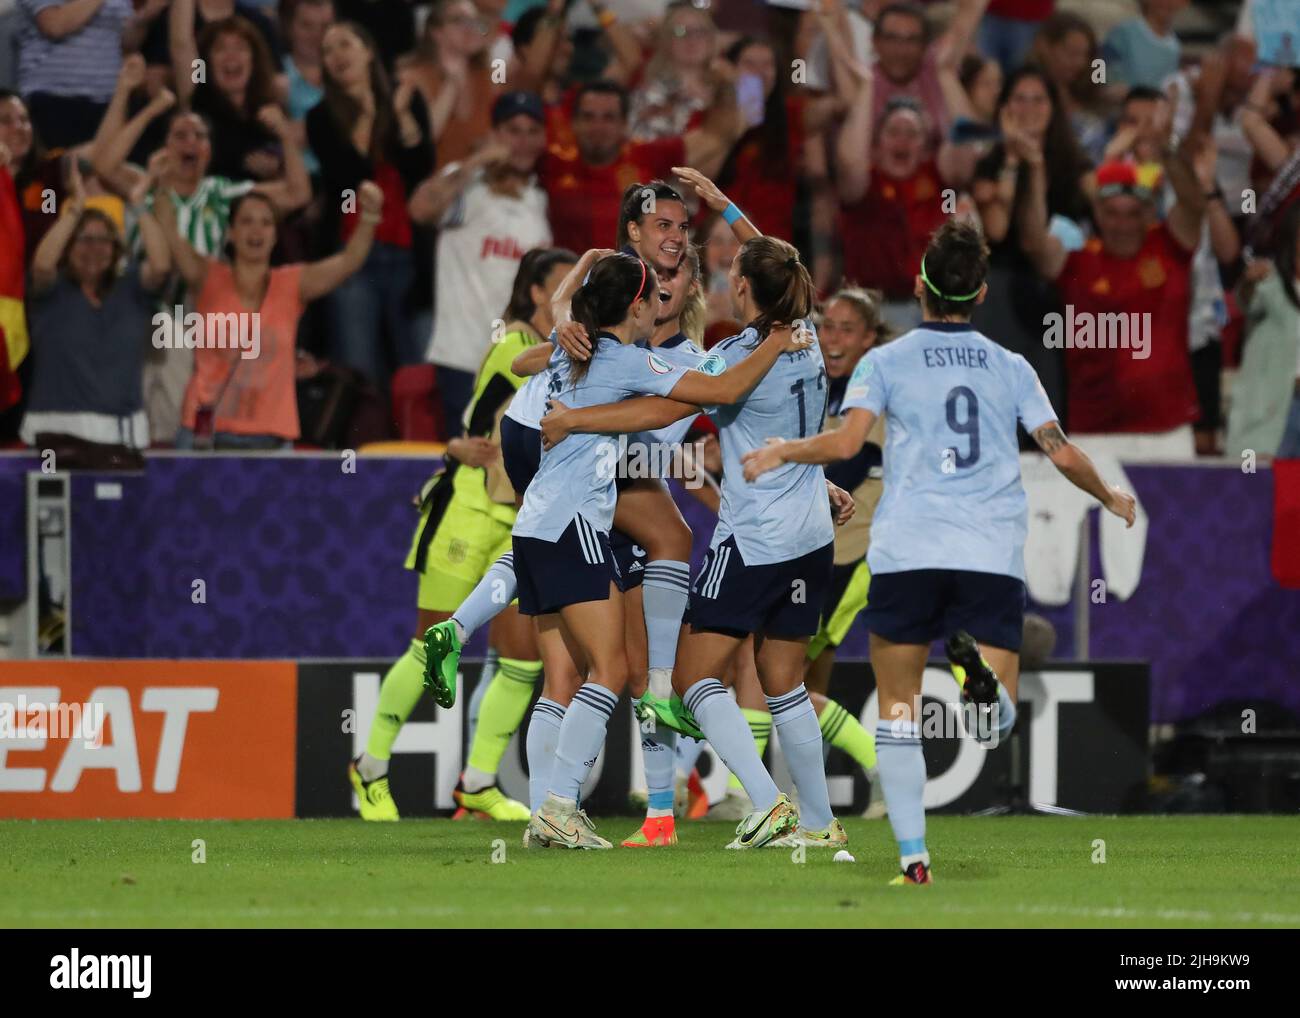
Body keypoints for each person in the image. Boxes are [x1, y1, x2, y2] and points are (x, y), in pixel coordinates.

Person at [741, 220, 1137, 884]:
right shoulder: (1012, 366)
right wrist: (1111, 495)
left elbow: (846, 447)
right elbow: (1059, 449)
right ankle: (978, 679)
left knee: (897, 708)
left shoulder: (886, 362)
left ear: (919, 287)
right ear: (980, 294)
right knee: (993, 728)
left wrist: (781, 450)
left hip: (908, 547)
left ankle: (914, 859)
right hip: (989, 546)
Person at [486, 249, 817, 850]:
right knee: (611, 671)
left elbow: (518, 361)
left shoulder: (575, 346)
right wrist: (779, 340)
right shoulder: (630, 358)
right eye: (652, 298)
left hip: (536, 522)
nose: (659, 305)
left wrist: (570, 309)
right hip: (575, 524)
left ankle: (558, 808)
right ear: (636, 306)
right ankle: (560, 806)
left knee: (572, 675)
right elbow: (721, 388)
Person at [349, 246, 577, 822]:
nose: (574, 304)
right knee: (431, 646)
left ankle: (477, 782)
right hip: (469, 508)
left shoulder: (565, 353)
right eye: (565, 290)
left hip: (524, 517)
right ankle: (370, 767)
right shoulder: (519, 346)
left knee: (522, 658)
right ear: (535, 295)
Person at [1018, 123, 1207, 459]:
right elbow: (1034, 242)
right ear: (1098, 215)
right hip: (1096, 433)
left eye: (1132, 214)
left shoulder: (1170, 248)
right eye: (1112, 214)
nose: (1122, 225)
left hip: (1169, 430)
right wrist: (1033, 168)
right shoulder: (1077, 263)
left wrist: (1169, 151)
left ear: (1148, 212)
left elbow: (1194, 205)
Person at [159, 182, 385, 448]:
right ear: (230, 232)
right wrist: (163, 183)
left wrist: (369, 216)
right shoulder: (206, 275)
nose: (256, 230)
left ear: (275, 235)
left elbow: (349, 261)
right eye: (246, 221)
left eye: (266, 223)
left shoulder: (293, 284)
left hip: (270, 439)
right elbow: (171, 234)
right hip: (205, 435)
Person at [408, 90, 551, 435]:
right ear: (495, 134)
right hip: (464, 356)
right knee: (469, 463)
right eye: (514, 131)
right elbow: (420, 208)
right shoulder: (468, 187)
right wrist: (477, 161)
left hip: (514, 360)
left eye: (533, 131)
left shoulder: (538, 198)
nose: (524, 141)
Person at [308, 20, 434, 388]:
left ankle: (424, 446)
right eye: (327, 50)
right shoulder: (321, 117)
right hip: (352, 259)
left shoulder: (407, 99)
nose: (335, 55)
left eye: (344, 44)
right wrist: (369, 114)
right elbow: (349, 176)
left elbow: (421, 165)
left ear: (368, 52)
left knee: (419, 369)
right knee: (357, 370)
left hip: (410, 256)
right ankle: (357, 447)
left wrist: (399, 114)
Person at [20, 164, 170, 449]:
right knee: (52, 494)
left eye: (105, 241)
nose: (95, 248)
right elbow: (41, 265)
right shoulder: (51, 290)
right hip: (53, 433)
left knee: (121, 495)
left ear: (116, 250)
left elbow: (161, 266)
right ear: (68, 246)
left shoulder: (131, 288)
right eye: (85, 239)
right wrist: (75, 208)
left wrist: (138, 206)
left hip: (121, 434)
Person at [539, 79, 742, 254]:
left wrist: (726, 86)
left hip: (633, 286)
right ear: (573, 123)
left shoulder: (645, 157)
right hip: (570, 286)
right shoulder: (552, 162)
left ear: (625, 124)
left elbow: (716, 136)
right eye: (589, 117)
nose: (598, 127)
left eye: (608, 117)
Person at [171, 3, 285, 181]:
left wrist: (276, 166)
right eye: (220, 49)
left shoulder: (268, 110)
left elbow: (295, 190)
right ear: (206, 62)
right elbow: (181, 44)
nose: (231, 56)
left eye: (240, 48)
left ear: (254, 61)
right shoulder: (199, 96)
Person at [1226, 201, 1300, 460]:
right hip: (1276, 417)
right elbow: (1245, 300)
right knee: (1263, 493)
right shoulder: (1272, 285)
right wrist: (1249, 281)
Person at [278, 0, 334, 179]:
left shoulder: (348, 73)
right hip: (299, 179)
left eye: (325, 26)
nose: (317, 36)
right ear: (288, 27)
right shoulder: (277, 79)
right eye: (306, 26)